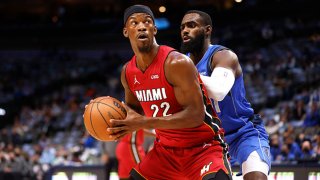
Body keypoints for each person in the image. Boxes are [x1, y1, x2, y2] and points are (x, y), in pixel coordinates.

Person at [107, 4, 232, 180]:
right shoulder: (127, 72)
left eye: (147, 22)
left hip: (202, 148)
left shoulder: (176, 63)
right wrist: (111, 122)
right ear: (126, 31)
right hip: (165, 152)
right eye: (134, 23)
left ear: (154, 29)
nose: (142, 26)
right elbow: (132, 113)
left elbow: (195, 115)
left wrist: (144, 122)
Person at [180, 10, 271, 180]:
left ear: (207, 30)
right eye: (182, 27)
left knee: (256, 177)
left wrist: (181, 75)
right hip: (207, 139)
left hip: (242, 132)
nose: (185, 30)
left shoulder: (224, 56)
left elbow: (219, 91)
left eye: (191, 25)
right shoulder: (179, 63)